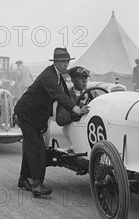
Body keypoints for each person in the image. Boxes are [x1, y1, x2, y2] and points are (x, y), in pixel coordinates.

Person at [14, 48, 89, 197]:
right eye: (63, 62)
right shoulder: (48, 75)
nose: (66, 64)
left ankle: (23, 179)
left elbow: (66, 95)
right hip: (26, 113)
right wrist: (75, 109)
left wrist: (77, 106)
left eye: (67, 61)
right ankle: (37, 185)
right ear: (55, 62)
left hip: (34, 115)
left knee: (31, 146)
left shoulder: (58, 75)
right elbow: (58, 94)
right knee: (38, 148)